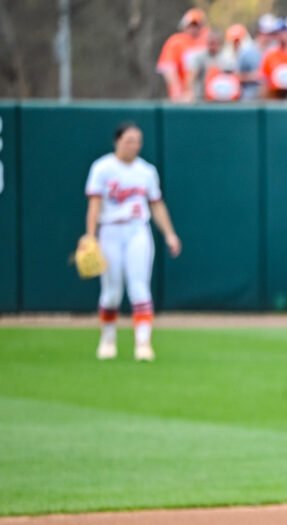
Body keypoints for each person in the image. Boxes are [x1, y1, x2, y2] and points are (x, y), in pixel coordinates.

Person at [82, 123, 182, 362]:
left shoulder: (146, 171)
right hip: (110, 230)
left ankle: (143, 343)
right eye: (129, 140)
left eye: (137, 141)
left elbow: (156, 204)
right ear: (117, 141)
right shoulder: (102, 168)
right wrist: (90, 236)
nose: (134, 145)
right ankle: (108, 339)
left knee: (139, 287)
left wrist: (169, 234)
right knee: (112, 292)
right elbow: (94, 205)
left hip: (138, 230)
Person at [156, 8, 208, 101]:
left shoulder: (207, 41)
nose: (193, 29)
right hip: (183, 95)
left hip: (204, 93)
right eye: (191, 25)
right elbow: (168, 68)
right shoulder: (176, 42)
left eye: (196, 25)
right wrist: (178, 91)